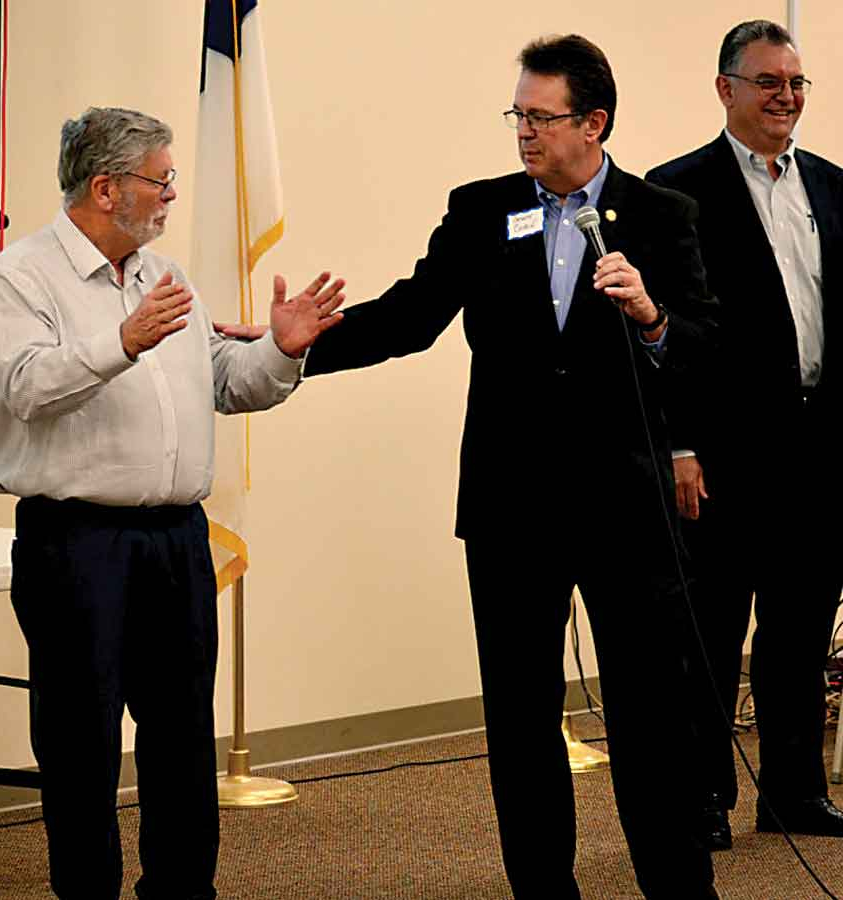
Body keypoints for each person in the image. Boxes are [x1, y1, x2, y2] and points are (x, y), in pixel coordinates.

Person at [223, 34, 718, 898]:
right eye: (516, 114)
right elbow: (411, 316)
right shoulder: (483, 209)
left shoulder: (661, 214)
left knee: (651, 722)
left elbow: (708, 352)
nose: (523, 131)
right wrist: (295, 345)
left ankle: (679, 889)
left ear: (594, 122)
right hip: (510, 508)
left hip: (625, 511)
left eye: (541, 115)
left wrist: (650, 316)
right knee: (521, 725)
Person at [0, 106, 344, 900]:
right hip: (78, 543)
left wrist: (280, 349)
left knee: (181, 743)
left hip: (176, 540)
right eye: (160, 180)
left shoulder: (164, 275)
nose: (171, 195)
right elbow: (25, 388)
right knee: (82, 748)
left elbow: (224, 384)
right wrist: (122, 343)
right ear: (105, 188)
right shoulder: (21, 277)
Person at [646, 20, 843, 848]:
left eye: (796, 83)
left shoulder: (834, 187)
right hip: (722, 453)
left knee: (799, 631)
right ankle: (704, 800)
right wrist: (679, 445)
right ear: (725, 88)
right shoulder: (676, 191)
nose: (786, 98)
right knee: (713, 633)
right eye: (768, 82)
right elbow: (660, 336)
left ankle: (794, 794)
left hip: (821, 445)